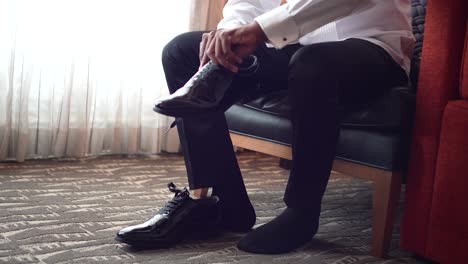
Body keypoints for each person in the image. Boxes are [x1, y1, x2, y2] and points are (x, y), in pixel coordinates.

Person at [116, 0, 414, 254]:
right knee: (181, 50)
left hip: (373, 47)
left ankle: (301, 212)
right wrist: (228, 33)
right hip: (300, 44)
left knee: (312, 64)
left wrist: (259, 31)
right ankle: (224, 205)